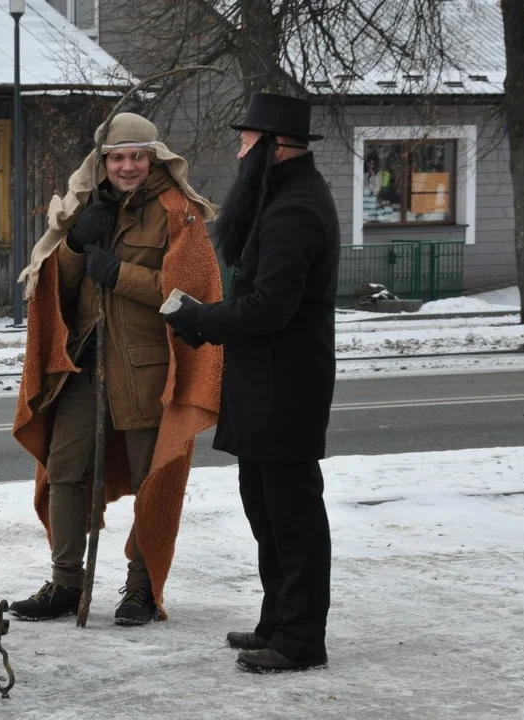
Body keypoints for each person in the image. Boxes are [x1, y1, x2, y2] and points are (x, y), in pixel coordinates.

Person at [11, 113, 223, 626]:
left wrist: (118, 272)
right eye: (117, 157)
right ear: (102, 162)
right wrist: (76, 249)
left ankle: (141, 588)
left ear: (153, 158)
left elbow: (189, 295)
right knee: (64, 470)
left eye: (137, 156)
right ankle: (66, 582)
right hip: (83, 363)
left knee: (154, 479)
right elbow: (51, 293)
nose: (127, 167)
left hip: (149, 372)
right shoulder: (83, 206)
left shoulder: (179, 213)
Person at [164, 92, 339, 672]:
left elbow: (269, 308)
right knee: (265, 510)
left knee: (292, 518)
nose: (239, 150)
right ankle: (277, 622)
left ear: (275, 146)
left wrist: (197, 321)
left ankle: (300, 641)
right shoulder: (282, 198)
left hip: (284, 387)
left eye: (246, 141)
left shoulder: (296, 209)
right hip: (262, 384)